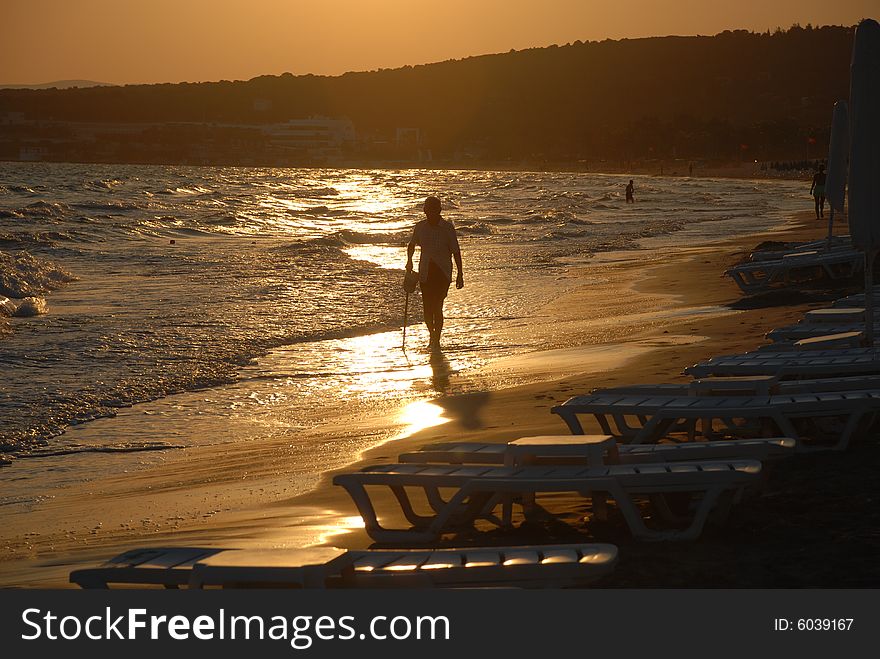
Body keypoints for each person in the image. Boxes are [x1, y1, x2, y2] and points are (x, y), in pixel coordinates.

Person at [406, 196, 463, 349]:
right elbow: (411, 245)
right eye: (427, 209)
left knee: (437, 307)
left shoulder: (447, 228)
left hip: (442, 273)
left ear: (439, 210)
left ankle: (436, 340)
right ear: (424, 210)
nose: (429, 212)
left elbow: (456, 252)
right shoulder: (420, 227)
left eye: (433, 209)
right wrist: (409, 261)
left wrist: (460, 274)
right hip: (425, 272)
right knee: (427, 309)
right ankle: (432, 334)